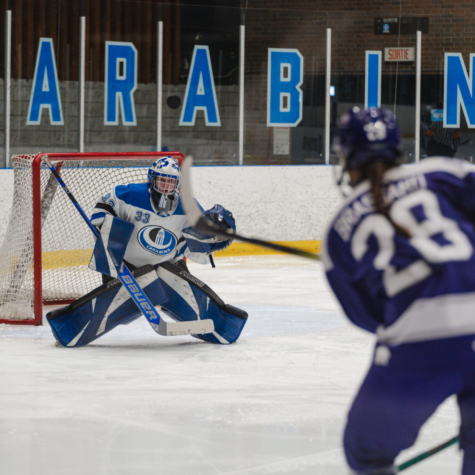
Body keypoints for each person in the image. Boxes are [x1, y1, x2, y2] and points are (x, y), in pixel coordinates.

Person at [324, 107, 475, 474]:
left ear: (347, 160)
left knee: (367, 452)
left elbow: (369, 316)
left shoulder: (339, 230)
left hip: (422, 339)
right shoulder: (444, 172)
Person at [90, 155, 234, 280]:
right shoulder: (131, 194)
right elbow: (106, 204)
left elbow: (197, 236)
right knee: (118, 306)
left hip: (167, 264)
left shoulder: (188, 205)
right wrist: (104, 227)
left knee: (188, 298)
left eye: (171, 181)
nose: (166, 186)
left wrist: (213, 241)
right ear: (152, 179)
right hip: (125, 263)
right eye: (162, 180)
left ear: (177, 183)